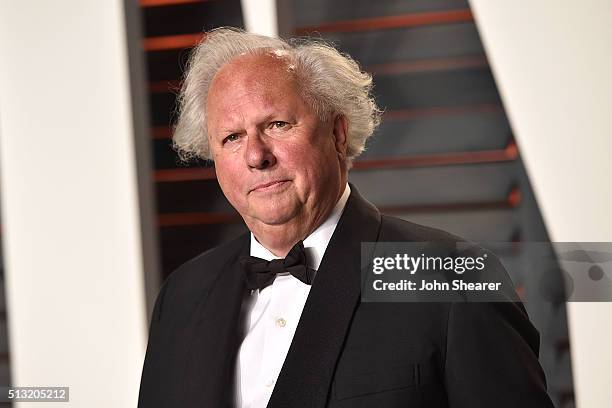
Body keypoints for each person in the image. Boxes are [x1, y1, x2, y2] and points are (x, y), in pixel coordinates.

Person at [138, 27, 554, 408]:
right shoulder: (182, 296)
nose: (255, 156)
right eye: (232, 138)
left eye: (278, 125)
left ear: (337, 133)